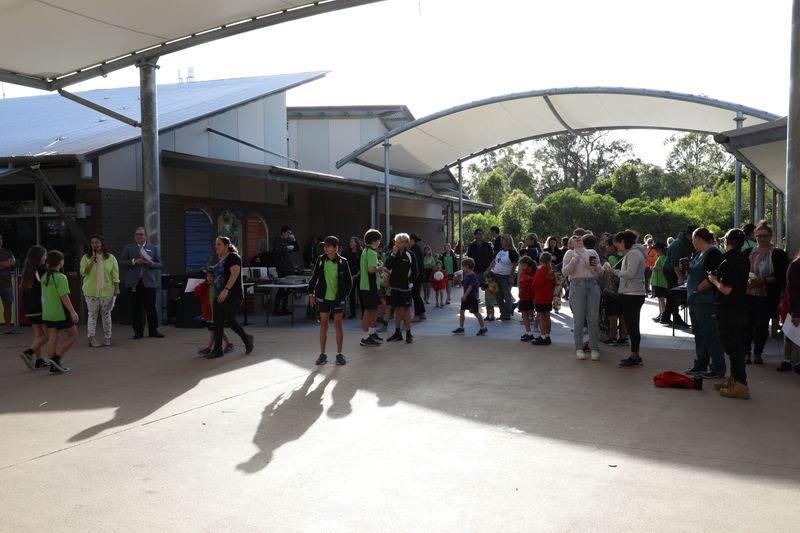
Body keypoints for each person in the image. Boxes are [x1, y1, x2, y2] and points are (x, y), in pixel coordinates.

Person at [708, 228, 752, 399]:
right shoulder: (744, 259)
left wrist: (714, 281)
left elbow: (726, 289)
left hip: (729, 310)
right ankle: (735, 380)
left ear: (728, 242)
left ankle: (740, 384)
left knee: (734, 348)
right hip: (741, 308)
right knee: (738, 347)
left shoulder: (727, 263)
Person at [743, 220, 788, 364]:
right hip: (747, 294)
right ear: (755, 236)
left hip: (766, 296)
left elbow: (781, 276)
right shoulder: (748, 252)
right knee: (746, 325)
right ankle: (746, 353)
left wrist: (762, 280)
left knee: (761, 326)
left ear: (770, 236)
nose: (762, 238)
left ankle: (758, 353)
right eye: (759, 236)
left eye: (765, 235)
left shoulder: (778, 254)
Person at [684, 228, 725, 380]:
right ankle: (701, 363)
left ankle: (717, 367)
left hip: (705, 301)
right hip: (695, 300)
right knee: (699, 334)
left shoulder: (713, 253)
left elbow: (713, 276)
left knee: (710, 335)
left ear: (699, 238)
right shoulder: (698, 254)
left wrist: (696, 290)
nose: (692, 242)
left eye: (693, 239)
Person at [207, 236, 254, 359]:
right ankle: (217, 349)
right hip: (219, 293)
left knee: (230, 320)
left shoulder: (233, 257)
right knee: (217, 322)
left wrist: (226, 290)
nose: (216, 247)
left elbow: (235, 274)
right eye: (215, 244)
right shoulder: (221, 259)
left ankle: (247, 338)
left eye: (219, 244)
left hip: (232, 294)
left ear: (227, 246)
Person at [308, 236, 353, 366]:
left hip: (337, 298)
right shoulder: (321, 260)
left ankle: (339, 354)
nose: (325, 248)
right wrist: (311, 294)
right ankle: (322, 354)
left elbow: (349, 282)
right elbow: (314, 277)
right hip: (323, 297)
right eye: (325, 246)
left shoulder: (343, 262)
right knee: (324, 323)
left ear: (336, 248)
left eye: (328, 246)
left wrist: (344, 295)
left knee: (338, 323)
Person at [607, 230, 647, 368]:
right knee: (632, 325)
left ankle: (634, 356)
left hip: (633, 294)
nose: (617, 248)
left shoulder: (633, 254)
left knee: (633, 326)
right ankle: (635, 355)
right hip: (631, 293)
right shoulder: (632, 253)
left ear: (623, 242)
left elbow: (630, 274)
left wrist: (613, 271)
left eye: (617, 245)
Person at [562, 232, 602, 361]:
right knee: (578, 319)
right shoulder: (569, 253)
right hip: (577, 285)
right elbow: (565, 272)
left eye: (579, 236)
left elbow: (600, 271)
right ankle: (578, 347)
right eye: (574, 237)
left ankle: (594, 347)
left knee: (593, 318)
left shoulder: (592, 252)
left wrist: (594, 265)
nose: (577, 237)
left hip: (592, 284)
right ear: (570, 244)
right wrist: (574, 260)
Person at [120, 227, 164, 339]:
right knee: (136, 308)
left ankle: (153, 330)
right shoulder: (128, 248)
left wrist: (151, 263)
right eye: (136, 234)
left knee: (151, 307)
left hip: (148, 283)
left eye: (141, 234)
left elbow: (159, 264)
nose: (138, 236)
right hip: (134, 283)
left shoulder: (153, 248)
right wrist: (134, 261)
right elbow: (122, 263)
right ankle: (138, 331)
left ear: (146, 236)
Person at [41, 250, 79, 374]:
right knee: (73, 335)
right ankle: (56, 359)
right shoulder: (61, 277)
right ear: (60, 262)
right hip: (60, 312)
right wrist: (73, 312)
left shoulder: (44, 277)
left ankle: (53, 365)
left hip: (48, 312)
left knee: (53, 338)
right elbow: (64, 296)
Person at [80, 234, 120, 348]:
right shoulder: (86, 257)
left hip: (106, 290)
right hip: (91, 291)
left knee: (106, 314)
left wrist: (117, 288)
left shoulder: (110, 258)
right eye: (92, 243)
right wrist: (91, 262)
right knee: (92, 314)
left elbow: (115, 274)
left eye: (97, 242)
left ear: (102, 243)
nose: (95, 245)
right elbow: (83, 272)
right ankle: (91, 338)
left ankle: (107, 337)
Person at [19, 245, 50, 370]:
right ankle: (29, 352)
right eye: (45, 255)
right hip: (39, 307)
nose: (46, 257)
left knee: (39, 334)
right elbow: (48, 285)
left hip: (29, 308)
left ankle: (39, 360)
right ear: (40, 256)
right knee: (48, 334)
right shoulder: (41, 270)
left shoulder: (27, 270)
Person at [385, 233, 418, 343]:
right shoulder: (393, 253)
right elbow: (388, 266)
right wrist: (393, 254)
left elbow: (415, 271)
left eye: (399, 242)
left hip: (405, 287)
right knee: (398, 309)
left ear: (405, 243)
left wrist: (409, 281)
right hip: (394, 287)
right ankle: (397, 333)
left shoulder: (410, 255)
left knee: (406, 310)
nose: (396, 244)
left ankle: (408, 333)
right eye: (396, 242)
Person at [195, 269, 234, 356]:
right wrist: (204, 283)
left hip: (217, 312)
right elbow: (197, 291)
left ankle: (209, 348)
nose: (209, 278)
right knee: (217, 329)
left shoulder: (218, 287)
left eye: (211, 276)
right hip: (210, 313)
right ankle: (229, 344)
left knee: (214, 330)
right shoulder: (206, 287)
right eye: (207, 276)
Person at [359, 229, 384, 347]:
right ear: (373, 241)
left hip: (369, 286)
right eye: (378, 240)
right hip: (370, 286)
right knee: (369, 311)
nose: (379, 242)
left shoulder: (366, 250)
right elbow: (371, 270)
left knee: (375, 309)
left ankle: (371, 333)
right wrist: (380, 267)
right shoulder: (372, 253)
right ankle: (365, 337)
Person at [451, 257, 487, 336]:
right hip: (466, 297)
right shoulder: (466, 275)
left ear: (467, 267)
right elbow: (464, 285)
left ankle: (483, 328)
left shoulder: (473, 276)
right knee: (462, 311)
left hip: (472, 298)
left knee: (476, 313)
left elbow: (470, 287)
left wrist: (465, 295)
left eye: (463, 267)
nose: (462, 268)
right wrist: (458, 279)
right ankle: (461, 328)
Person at [487, 234, 519, 321]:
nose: (501, 242)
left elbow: (515, 264)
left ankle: (507, 315)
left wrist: (511, 275)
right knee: (498, 296)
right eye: (501, 240)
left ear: (508, 241)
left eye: (503, 240)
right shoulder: (500, 251)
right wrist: (487, 270)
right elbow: (494, 261)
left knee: (507, 296)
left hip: (506, 277)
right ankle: (503, 313)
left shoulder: (512, 252)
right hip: (496, 276)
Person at [778, 250, 800, 373]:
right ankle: (786, 361)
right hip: (795, 305)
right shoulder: (795, 265)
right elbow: (792, 290)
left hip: (794, 304)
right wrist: (795, 313)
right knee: (790, 333)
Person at [532, 251, 557, 345]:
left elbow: (536, 284)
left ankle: (542, 336)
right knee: (547, 316)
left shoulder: (541, 270)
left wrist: (532, 287)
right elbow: (554, 284)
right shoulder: (551, 271)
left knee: (541, 316)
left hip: (541, 296)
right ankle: (547, 335)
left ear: (541, 260)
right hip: (548, 296)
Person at [272, 226, 298, 315]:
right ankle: (276, 309)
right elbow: (276, 251)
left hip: (289, 267)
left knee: (288, 289)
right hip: (281, 267)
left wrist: (294, 240)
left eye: (290, 233)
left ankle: (284, 307)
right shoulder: (277, 240)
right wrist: (286, 248)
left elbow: (297, 248)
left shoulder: (288, 241)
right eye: (288, 233)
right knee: (282, 288)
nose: (289, 235)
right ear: (283, 232)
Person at [0, 234, 17, 334]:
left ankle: (8, 328)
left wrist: (5, 264)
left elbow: (12, 262)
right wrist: (5, 264)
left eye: (1, 239)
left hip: (6, 284)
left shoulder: (7, 252)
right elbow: (8, 264)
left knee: (8, 305)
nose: (0, 241)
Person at [517, 256, 537, 341]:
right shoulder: (533, 272)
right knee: (527, 314)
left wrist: (520, 291)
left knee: (524, 315)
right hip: (531, 295)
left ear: (524, 264)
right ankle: (529, 332)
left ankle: (528, 332)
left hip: (525, 296)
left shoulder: (525, 273)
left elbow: (523, 284)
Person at [650, 242, 669, 322]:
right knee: (660, 298)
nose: (655, 251)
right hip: (657, 282)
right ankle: (661, 313)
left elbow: (665, 268)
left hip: (661, 282)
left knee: (661, 299)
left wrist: (655, 268)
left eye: (656, 249)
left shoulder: (663, 257)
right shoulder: (660, 257)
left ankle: (663, 314)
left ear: (661, 250)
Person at [345, 236, 362, 319]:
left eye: (352, 242)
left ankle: (364, 313)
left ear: (356, 243)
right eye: (350, 242)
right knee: (351, 295)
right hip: (350, 277)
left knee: (361, 295)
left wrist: (356, 275)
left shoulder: (361, 253)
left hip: (359, 276)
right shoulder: (347, 253)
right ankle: (353, 313)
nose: (350, 243)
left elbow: (363, 266)